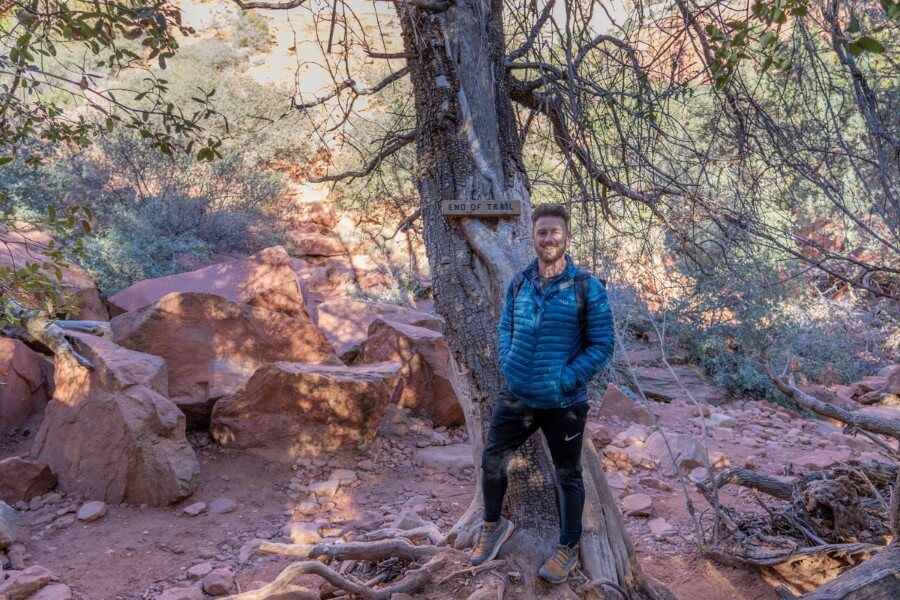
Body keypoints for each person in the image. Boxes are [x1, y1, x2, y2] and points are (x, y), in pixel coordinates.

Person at [470, 203, 615, 584]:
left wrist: (565, 379)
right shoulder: (519, 282)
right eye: (541, 232)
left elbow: (602, 345)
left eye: (554, 231)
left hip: (564, 403)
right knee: (491, 460)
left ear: (567, 236)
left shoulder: (587, 287)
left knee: (568, 475)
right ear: (532, 237)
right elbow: (505, 327)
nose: (547, 238)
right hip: (518, 396)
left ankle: (567, 549)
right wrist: (508, 363)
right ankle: (494, 524)